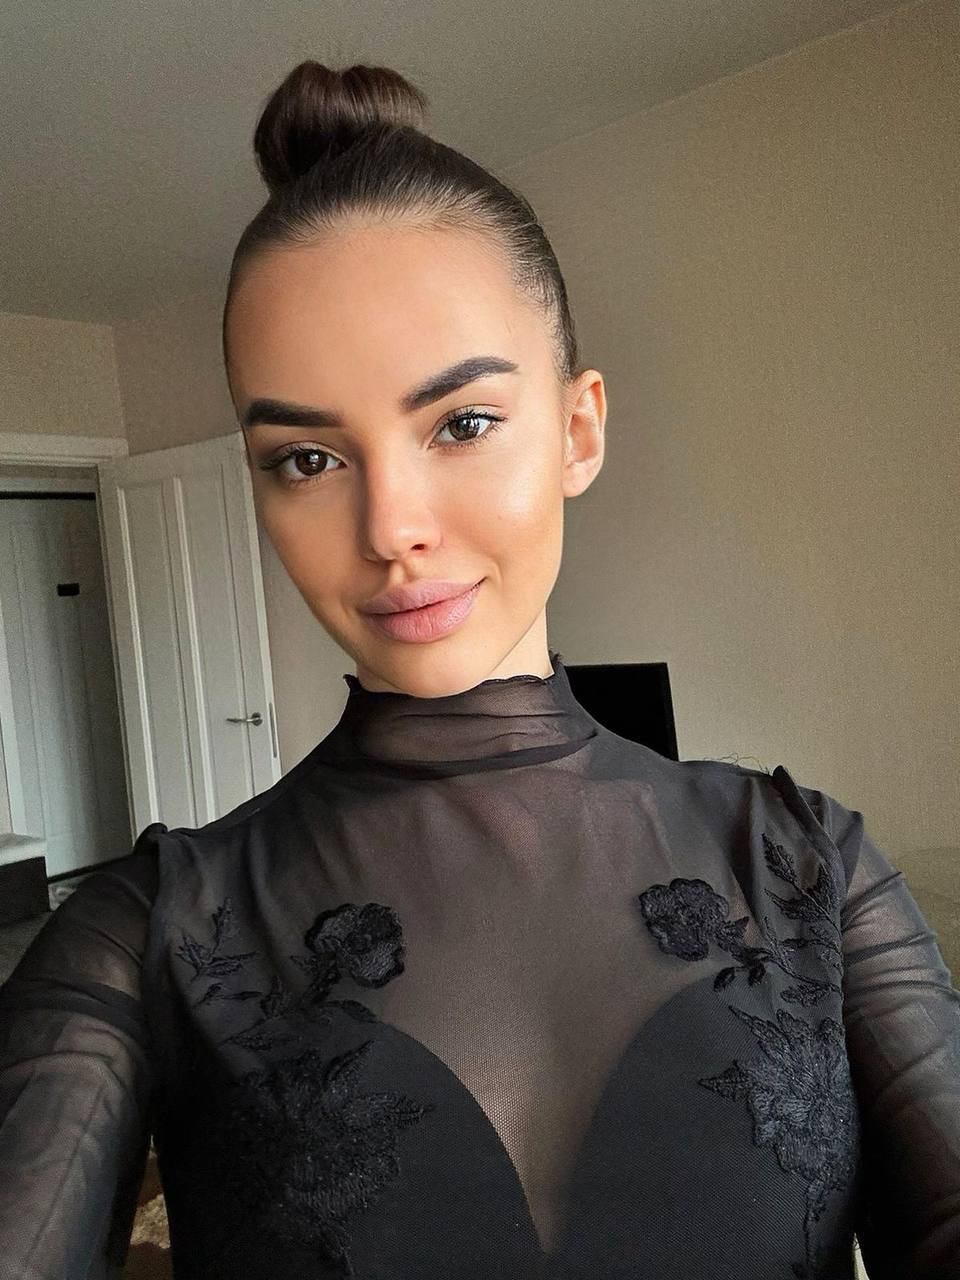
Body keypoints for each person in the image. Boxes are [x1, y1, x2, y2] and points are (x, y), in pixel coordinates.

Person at [1, 60, 958, 1280]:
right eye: (306, 458)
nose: (390, 527)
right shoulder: (144, 933)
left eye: (461, 423)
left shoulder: (810, 870)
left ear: (578, 429)